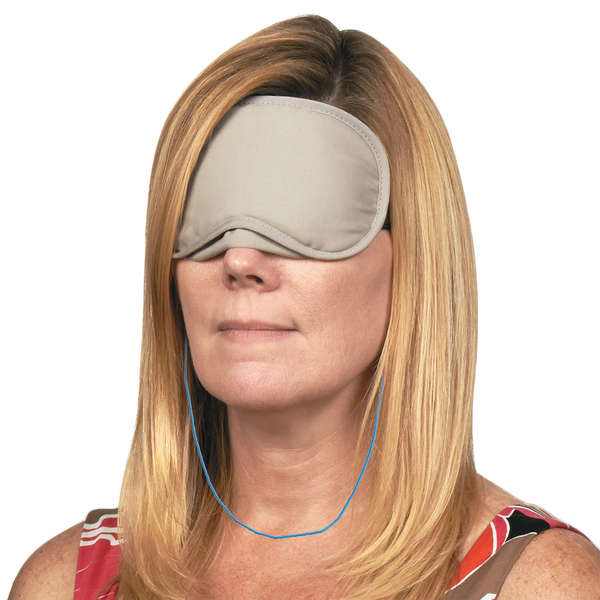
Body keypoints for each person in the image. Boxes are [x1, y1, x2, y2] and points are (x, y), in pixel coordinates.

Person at [9, 14, 600, 600]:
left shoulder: (538, 586)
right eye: (207, 219)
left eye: (303, 216)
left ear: (414, 258)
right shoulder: (64, 585)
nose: (240, 259)